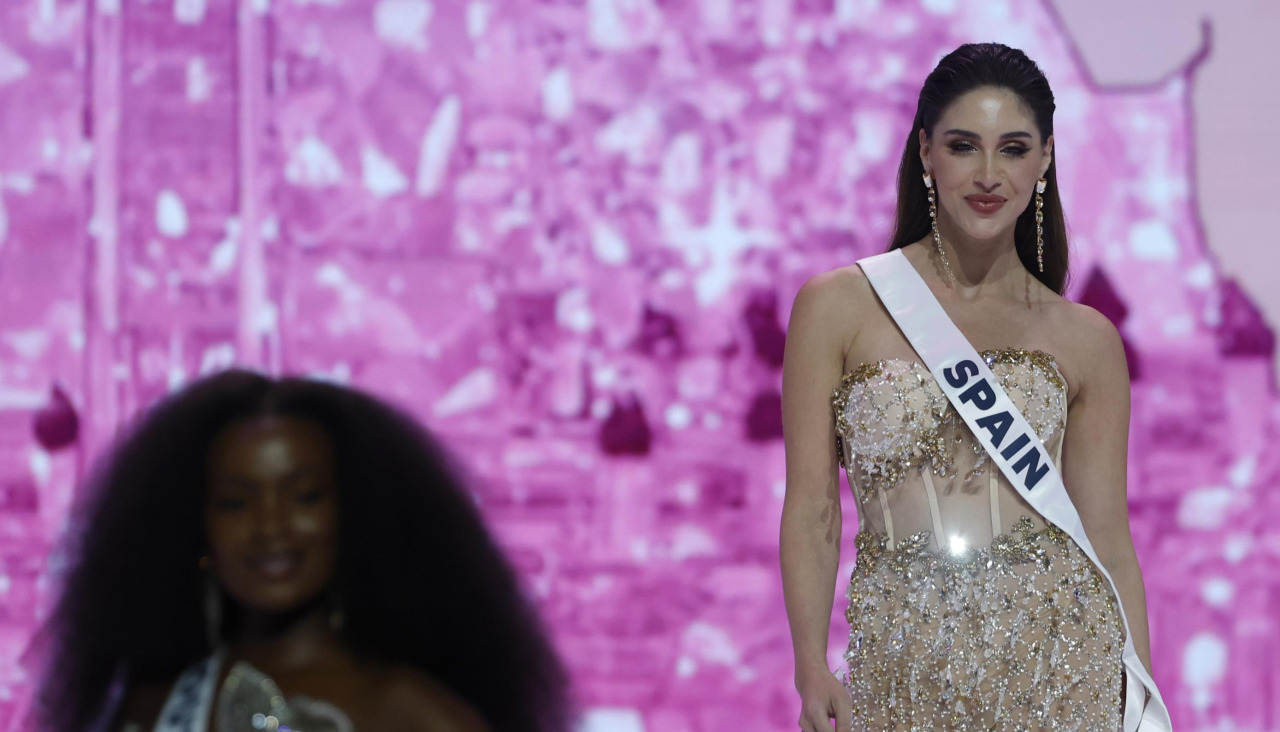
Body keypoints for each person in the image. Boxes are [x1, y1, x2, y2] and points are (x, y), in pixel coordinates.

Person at [780, 43, 1159, 730]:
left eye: (1013, 149)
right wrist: (810, 666)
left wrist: (1141, 700)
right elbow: (812, 509)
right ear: (925, 151)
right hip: (902, 669)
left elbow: (1107, 535)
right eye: (964, 146)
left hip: (1066, 671)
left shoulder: (1086, 338)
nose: (988, 174)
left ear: (1044, 159)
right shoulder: (838, 305)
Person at [30, 370, 572, 732]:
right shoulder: (154, 704)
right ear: (194, 529)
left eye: (306, 497)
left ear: (352, 514)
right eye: (235, 503)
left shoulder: (406, 710)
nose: (272, 527)